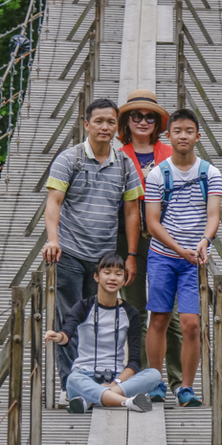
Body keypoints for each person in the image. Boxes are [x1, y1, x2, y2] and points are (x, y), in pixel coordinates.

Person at [43, 98, 144, 390]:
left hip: (104, 260)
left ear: (117, 127)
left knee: (94, 323)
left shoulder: (125, 164)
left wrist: (131, 255)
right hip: (71, 252)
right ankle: (69, 387)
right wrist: (53, 239)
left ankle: (94, 383)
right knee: (70, 321)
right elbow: (54, 202)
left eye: (111, 122)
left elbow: (131, 212)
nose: (104, 127)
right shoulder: (69, 159)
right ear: (86, 125)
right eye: (98, 121)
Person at [144, 109, 222, 407]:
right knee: (160, 317)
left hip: (196, 258)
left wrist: (204, 242)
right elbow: (152, 222)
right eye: (177, 131)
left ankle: (185, 388)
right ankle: (156, 381)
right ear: (168, 136)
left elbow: (213, 216)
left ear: (197, 136)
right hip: (164, 255)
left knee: (191, 323)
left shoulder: (210, 173)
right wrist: (180, 249)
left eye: (189, 131)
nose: (183, 136)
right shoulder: (157, 174)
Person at [115, 89, 184, 401]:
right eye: (136, 115)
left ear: (157, 123)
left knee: (171, 314)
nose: (142, 121)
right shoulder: (116, 157)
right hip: (126, 240)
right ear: (127, 122)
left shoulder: (172, 154)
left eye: (149, 117)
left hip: (168, 241)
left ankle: (179, 381)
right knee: (136, 310)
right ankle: (146, 379)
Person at [45, 253, 161, 413]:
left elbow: (134, 362)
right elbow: (67, 333)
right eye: (107, 273)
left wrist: (115, 383)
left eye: (118, 274)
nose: (113, 278)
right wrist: (59, 337)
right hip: (84, 375)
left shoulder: (130, 313)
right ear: (96, 276)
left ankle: (91, 401)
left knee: (154, 374)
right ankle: (127, 402)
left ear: (124, 278)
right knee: (72, 379)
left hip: (117, 379)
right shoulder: (83, 306)